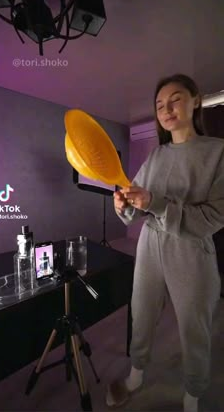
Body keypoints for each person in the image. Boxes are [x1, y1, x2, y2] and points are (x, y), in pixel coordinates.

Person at [106, 73, 224, 412]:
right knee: (141, 313)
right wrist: (124, 205)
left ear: (196, 100)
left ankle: (193, 395)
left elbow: (212, 218)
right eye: (159, 105)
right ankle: (136, 376)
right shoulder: (156, 156)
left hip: (191, 250)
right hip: (149, 247)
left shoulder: (217, 153)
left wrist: (154, 203)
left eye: (175, 99)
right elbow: (135, 204)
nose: (166, 108)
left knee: (194, 325)